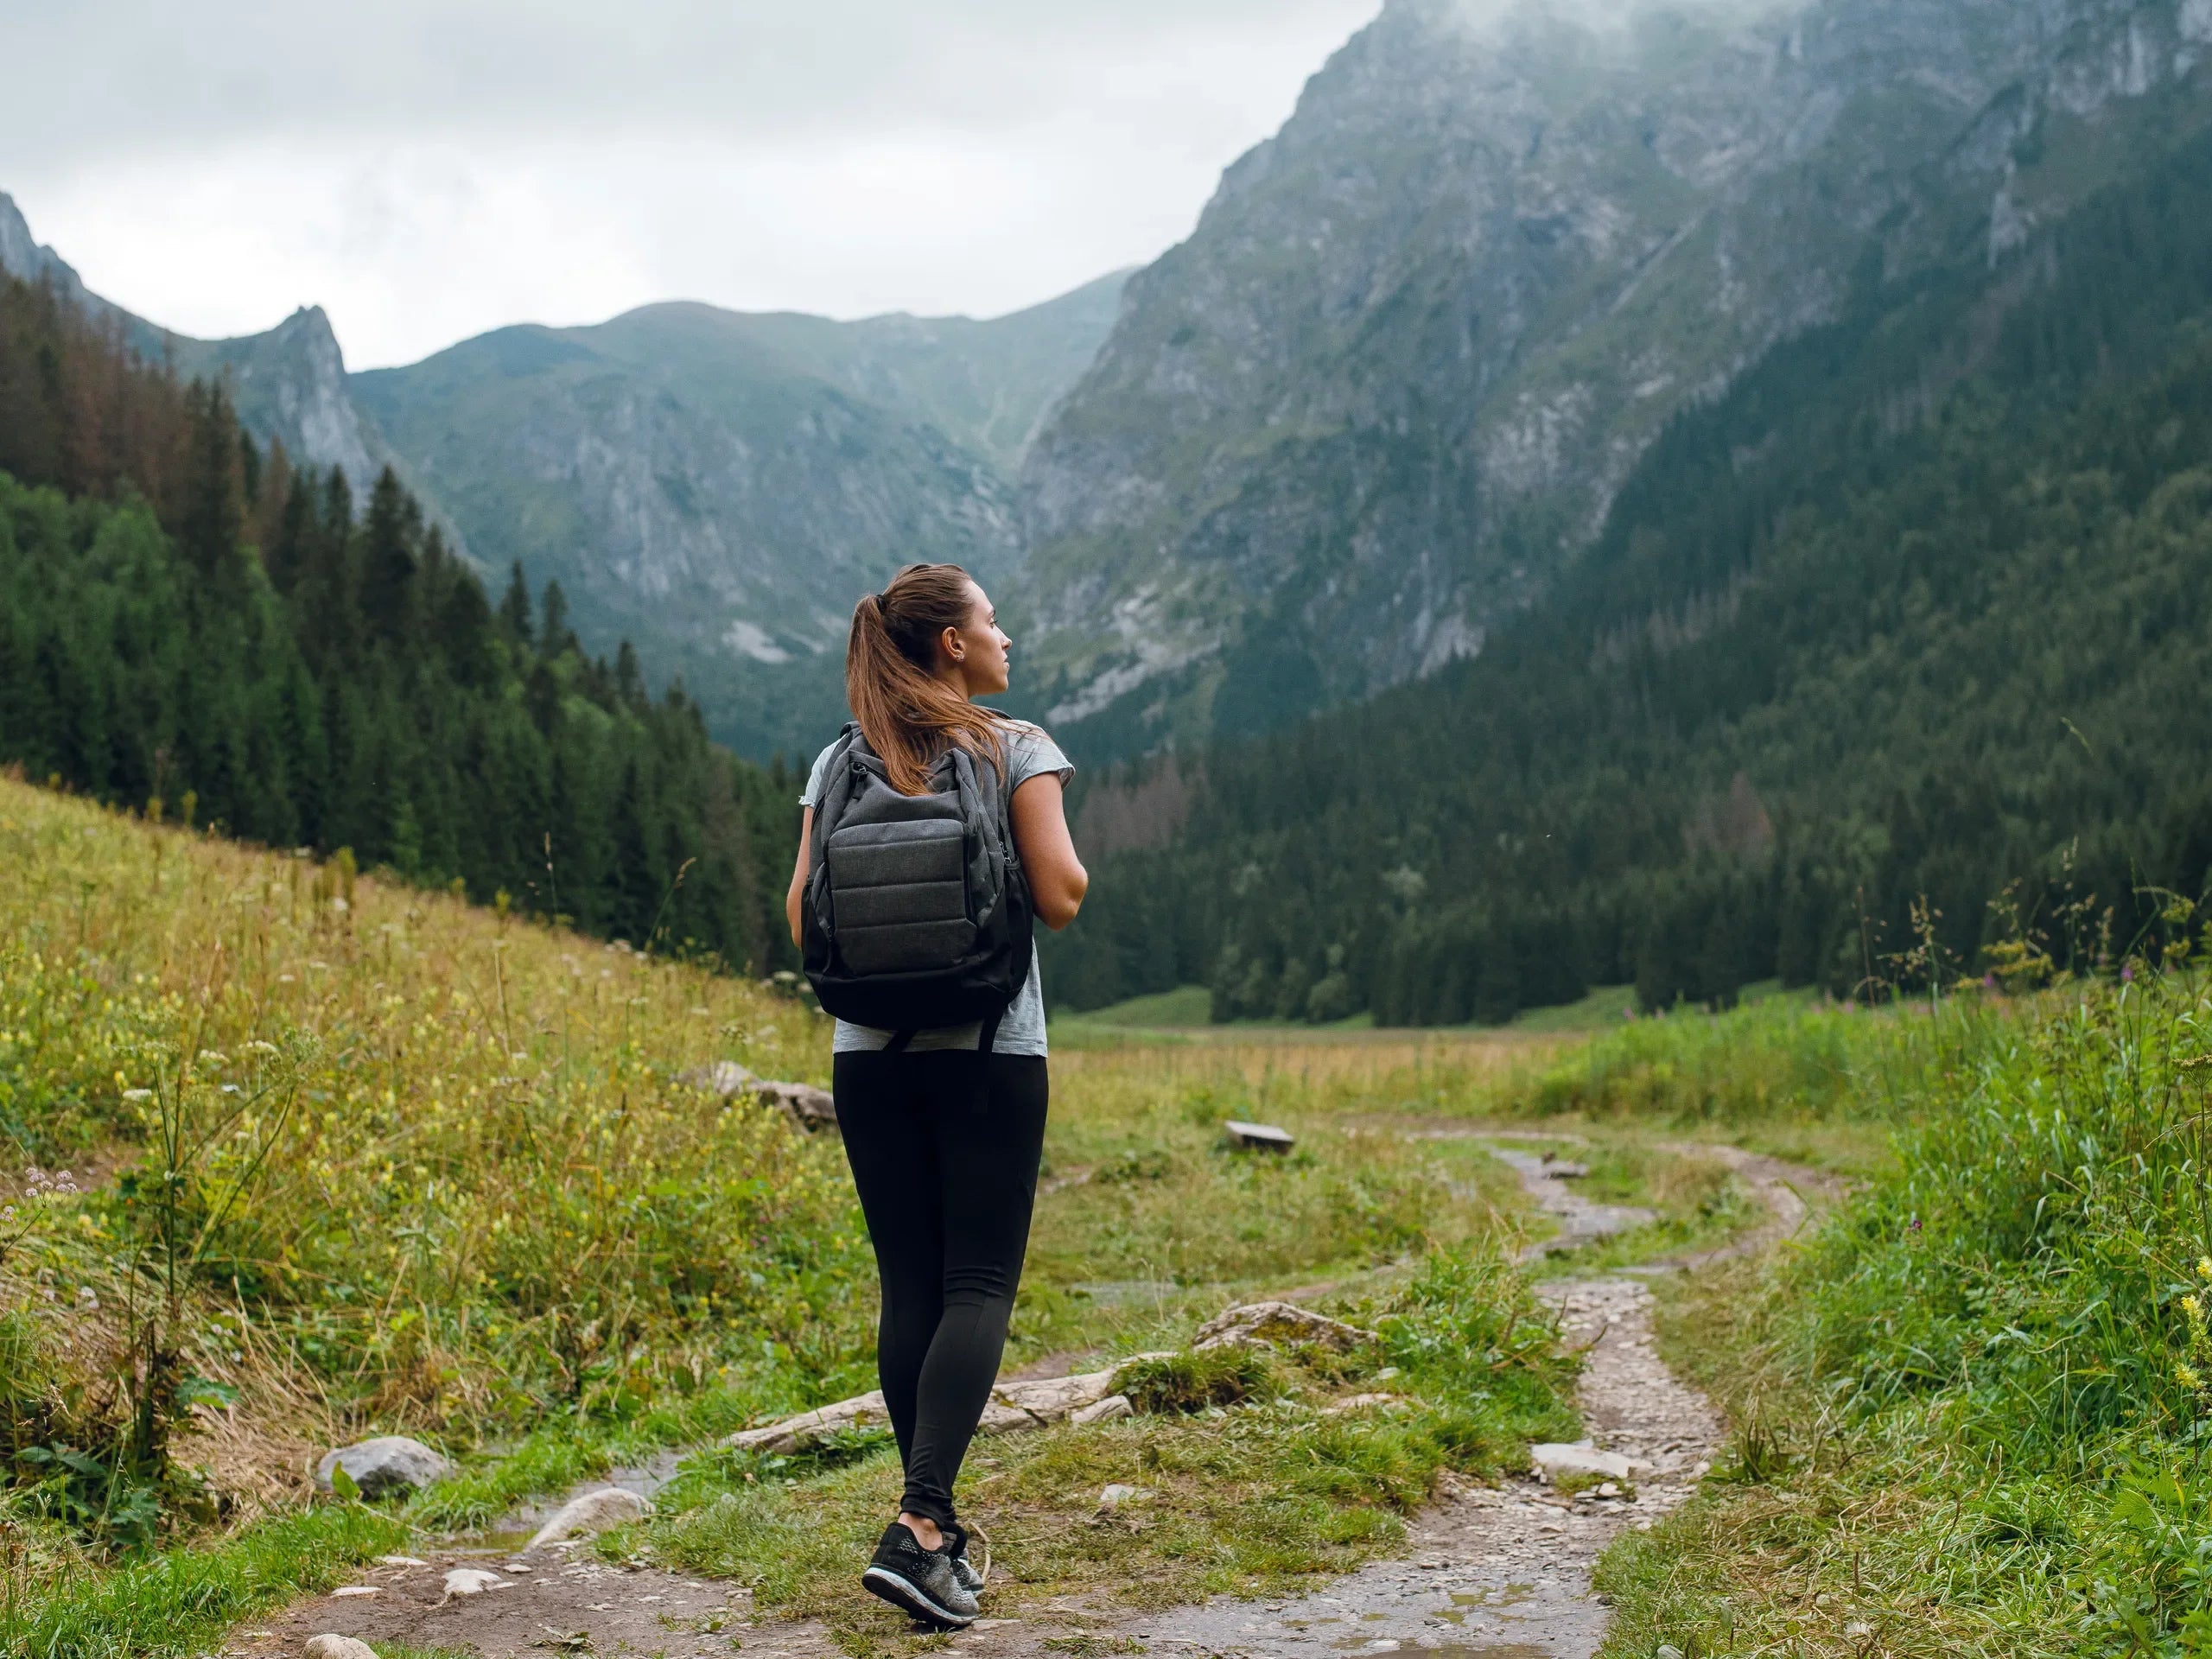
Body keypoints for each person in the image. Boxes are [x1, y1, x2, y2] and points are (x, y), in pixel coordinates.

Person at [784, 562, 1089, 1629]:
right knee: (978, 1281)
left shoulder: (839, 757)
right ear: (951, 646)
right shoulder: (1012, 745)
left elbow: (799, 917)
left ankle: (931, 1527)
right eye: (993, 622)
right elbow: (1058, 895)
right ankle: (920, 1527)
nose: (1008, 639)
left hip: (865, 1054)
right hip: (988, 1044)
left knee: (909, 1285)